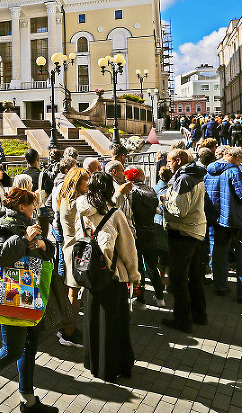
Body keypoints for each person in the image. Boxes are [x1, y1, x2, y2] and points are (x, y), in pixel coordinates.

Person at [0, 188, 57, 413]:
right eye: (31, 204)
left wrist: (44, 245)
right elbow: (1, 257)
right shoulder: (5, 227)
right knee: (12, 350)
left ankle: (28, 399)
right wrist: (24, 239)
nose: (35, 208)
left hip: (30, 295)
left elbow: (46, 252)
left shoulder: (28, 223)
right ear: (21, 206)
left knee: (30, 345)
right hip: (11, 295)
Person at [78, 172, 139, 383]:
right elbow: (128, 249)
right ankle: (113, 366)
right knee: (114, 324)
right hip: (111, 275)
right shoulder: (115, 214)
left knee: (93, 320)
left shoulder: (82, 211)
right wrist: (134, 274)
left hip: (89, 274)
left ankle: (93, 363)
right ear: (109, 190)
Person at [204, 147, 242, 304]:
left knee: (219, 252)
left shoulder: (209, 171)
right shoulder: (234, 172)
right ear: (237, 157)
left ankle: (220, 286)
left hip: (217, 218)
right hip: (237, 219)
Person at [160, 150, 207, 332]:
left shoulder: (184, 179)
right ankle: (199, 315)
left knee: (178, 279)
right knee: (195, 277)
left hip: (184, 233)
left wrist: (163, 201)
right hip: (195, 230)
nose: (168, 163)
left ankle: (183, 320)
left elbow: (180, 209)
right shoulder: (194, 175)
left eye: (170, 160)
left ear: (178, 161)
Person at [56, 166, 90, 347]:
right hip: (75, 251)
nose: (89, 183)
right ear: (78, 182)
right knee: (74, 292)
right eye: (86, 180)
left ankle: (67, 327)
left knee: (72, 290)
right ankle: (67, 333)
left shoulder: (65, 199)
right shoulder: (77, 202)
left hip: (70, 248)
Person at [126, 166, 165, 308]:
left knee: (138, 269)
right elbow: (156, 208)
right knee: (152, 266)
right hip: (151, 230)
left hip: (137, 233)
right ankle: (160, 297)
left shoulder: (131, 192)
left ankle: (141, 300)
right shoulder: (151, 190)